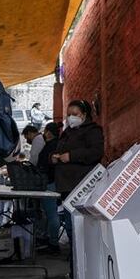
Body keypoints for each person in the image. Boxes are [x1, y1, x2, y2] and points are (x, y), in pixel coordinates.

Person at [52, 100, 105, 245]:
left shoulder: (93, 130)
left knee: (81, 228)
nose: (70, 117)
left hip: (81, 186)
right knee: (70, 227)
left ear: (84, 114)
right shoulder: (67, 132)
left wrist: (71, 156)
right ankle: (74, 263)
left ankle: (82, 262)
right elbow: (59, 149)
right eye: (68, 115)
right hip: (66, 187)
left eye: (74, 114)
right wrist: (55, 157)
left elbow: (96, 152)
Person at [36, 122, 61, 251]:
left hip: (50, 182)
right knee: (51, 213)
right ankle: (51, 240)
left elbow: (46, 163)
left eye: (46, 131)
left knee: (51, 214)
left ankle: (53, 243)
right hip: (52, 181)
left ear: (49, 132)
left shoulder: (52, 146)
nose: (44, 134)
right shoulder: (55, 144)